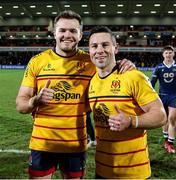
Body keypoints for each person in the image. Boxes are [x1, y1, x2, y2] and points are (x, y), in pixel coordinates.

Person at [16, 10, 135, 179]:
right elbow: (20, 105)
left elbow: (112, 67)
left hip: (76, 145)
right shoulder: (37, 61)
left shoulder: (91, 62)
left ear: (80, 35)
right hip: (42, 143)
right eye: (62, 30)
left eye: (73, 31)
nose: (67, 35)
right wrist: (36, 100)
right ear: (54, 33)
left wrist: (126, 63)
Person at [88, 26, 166, 179]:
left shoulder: (133, 77)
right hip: (102, 172)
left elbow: (161, 115)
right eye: (94, 46)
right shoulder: (90, 81)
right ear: (89, 50)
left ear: (116, 48)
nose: (99, 50)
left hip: (134, 174)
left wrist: (131, 121)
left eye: (105, 45)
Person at [151, 45, 176, 154]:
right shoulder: (158, 67)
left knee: (172, 118)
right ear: (163, 55)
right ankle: (166, 139)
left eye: (170, 52)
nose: (168, 55)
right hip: (162, 96)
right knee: (164, 119)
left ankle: (170, 143)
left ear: (173, 54)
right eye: (166, 53)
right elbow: (152, 84)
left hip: (174, 96)